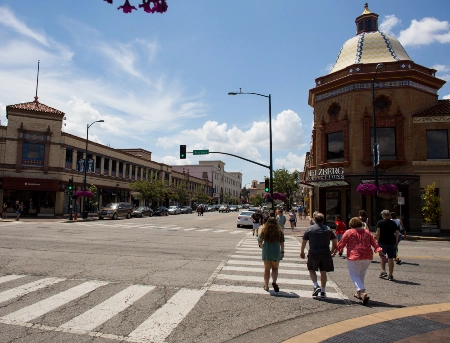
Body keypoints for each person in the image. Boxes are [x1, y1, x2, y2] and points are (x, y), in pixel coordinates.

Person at [332, 217, 384, 305]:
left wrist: (334, 252)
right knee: (361, 275)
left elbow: (341, 243)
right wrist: (381, 253)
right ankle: (358, 294)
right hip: (367, 256)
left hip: (354, 256)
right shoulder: (367, 232)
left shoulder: (349, 232)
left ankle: (363, 292)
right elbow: (375, 242)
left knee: (354, 274)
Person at [300, 212, 337, 297]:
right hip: (325, 253)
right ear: (323, 220)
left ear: (315, 220)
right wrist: (332, 251)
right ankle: (323, 291)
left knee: (311, 269)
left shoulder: (309, 229)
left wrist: (302, 251)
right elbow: (335, 241)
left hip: (313, 253)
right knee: (323, 272)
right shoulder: (328, 229)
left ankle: (316, 285)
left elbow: (304, 241)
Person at [258, 217, 285, 292]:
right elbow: (282, 243)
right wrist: (282, 252)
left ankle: (266, 286)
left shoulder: (264, 231)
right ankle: (274, 282)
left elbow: (259, 241)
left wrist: (262, 246)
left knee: (267, 269)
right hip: (276, 252)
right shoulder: (279, 231)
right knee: (275, 269)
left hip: (267, 252)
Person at [375, 210, 400, 281]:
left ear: (383, 215)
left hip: (382, 242)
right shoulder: (393, 223)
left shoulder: (380, 222)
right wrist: (396, 241)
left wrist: (377, 241)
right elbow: (397, 232)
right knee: (391, 258)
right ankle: (390, 275)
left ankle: (383, 271)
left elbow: (378, 233)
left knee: (382, 256)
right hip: (392, 242)